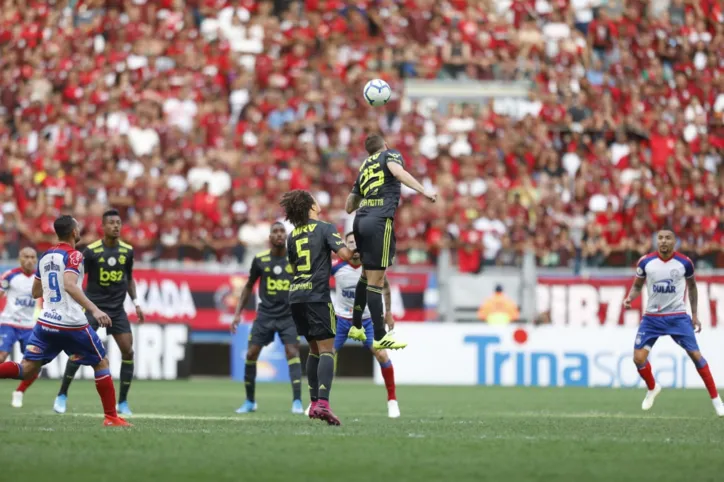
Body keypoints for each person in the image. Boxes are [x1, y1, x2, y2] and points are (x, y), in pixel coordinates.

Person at [0, 215, 131, 426]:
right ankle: (111, 417)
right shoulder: (75, 256)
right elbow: (70, 285)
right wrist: (95, 309)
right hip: (72, 324)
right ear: (73, 232)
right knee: (100, 363)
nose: (79, 231)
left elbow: (35, 292)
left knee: (27, 368)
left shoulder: (45, 256)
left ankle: (110, 416)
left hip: (45, 324)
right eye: (78, 228)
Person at [345, 134, 437, 350]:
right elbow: (398, 172)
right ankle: (380, 336)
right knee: (377, 281)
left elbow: (349, 205)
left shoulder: (364, 167)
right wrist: (424, 190)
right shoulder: (390, 154)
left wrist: (366, 195)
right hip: (379, 221)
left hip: (359, 221)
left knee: (367, 276)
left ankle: (357, 325)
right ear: (385, 146)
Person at [53, 209, 145, 416]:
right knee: (78, 351)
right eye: (111, 223)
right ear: (102, 227)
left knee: (128, 352)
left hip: (117, 310)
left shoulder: (127, 251)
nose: (116, 226)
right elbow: (75, 277)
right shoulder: (91, 251)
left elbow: (129, 278)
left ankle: (122, 402)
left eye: (118, 223)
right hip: (94, 308)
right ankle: (62, 395)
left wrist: (137, 303)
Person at [624, 228, 724, 416]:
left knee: (696, 356)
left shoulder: (684, 263)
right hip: (652, 318)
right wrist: (630, 298)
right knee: (638, 358)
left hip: (677, 317)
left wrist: (694, 315)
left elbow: (693, 288)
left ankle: (717, 400)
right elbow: (637, 286)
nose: (663, 241)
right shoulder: (646, 262)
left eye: (667, 238)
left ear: (674, 242)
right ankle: (652, 388)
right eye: (660, 238)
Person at [280, 190, 355, 426]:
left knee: (313, 349)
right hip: (316, 296)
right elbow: (348, 257)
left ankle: (313, 404)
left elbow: (293, 267)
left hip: (296, 297)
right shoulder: (325, 228)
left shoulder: (292, 235)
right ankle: (323, 403)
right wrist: (365, 254)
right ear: (310, 206)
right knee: (326, 350)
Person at [230, 222, 304, 415]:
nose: (279, 235)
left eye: (282, 232)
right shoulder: (260, 259)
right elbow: (248, 286)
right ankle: (249, 401)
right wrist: (238, 313)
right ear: (270, 237)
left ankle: (297, 401)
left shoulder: (295, 260)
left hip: (288, 315)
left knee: (292, 353)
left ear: (286, 237)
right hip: (265, 315)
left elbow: (304, 286)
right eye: (275, 232)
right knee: (251, 354)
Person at [325, 232, 400, 418]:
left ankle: (392, 401)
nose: (355, 247)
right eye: (351, 243)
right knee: (326, 357)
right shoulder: (336, 267)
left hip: (366, 320)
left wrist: (388, 313)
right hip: (341, 319)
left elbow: (386, 287)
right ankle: (319, 401)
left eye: (358, 243)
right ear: (345, 246)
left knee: (382, 355)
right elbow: (319, 284)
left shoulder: (372, 267)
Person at [0, 247, 39, 408]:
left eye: (32, 257)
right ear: (19, 259)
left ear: (36, 260)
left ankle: (20, 392)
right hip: (9, 322)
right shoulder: (10, 276)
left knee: (35, 364)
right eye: (26, 257)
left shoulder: (40, 278)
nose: (29, 260)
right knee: (1, 356)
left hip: (29, 326)